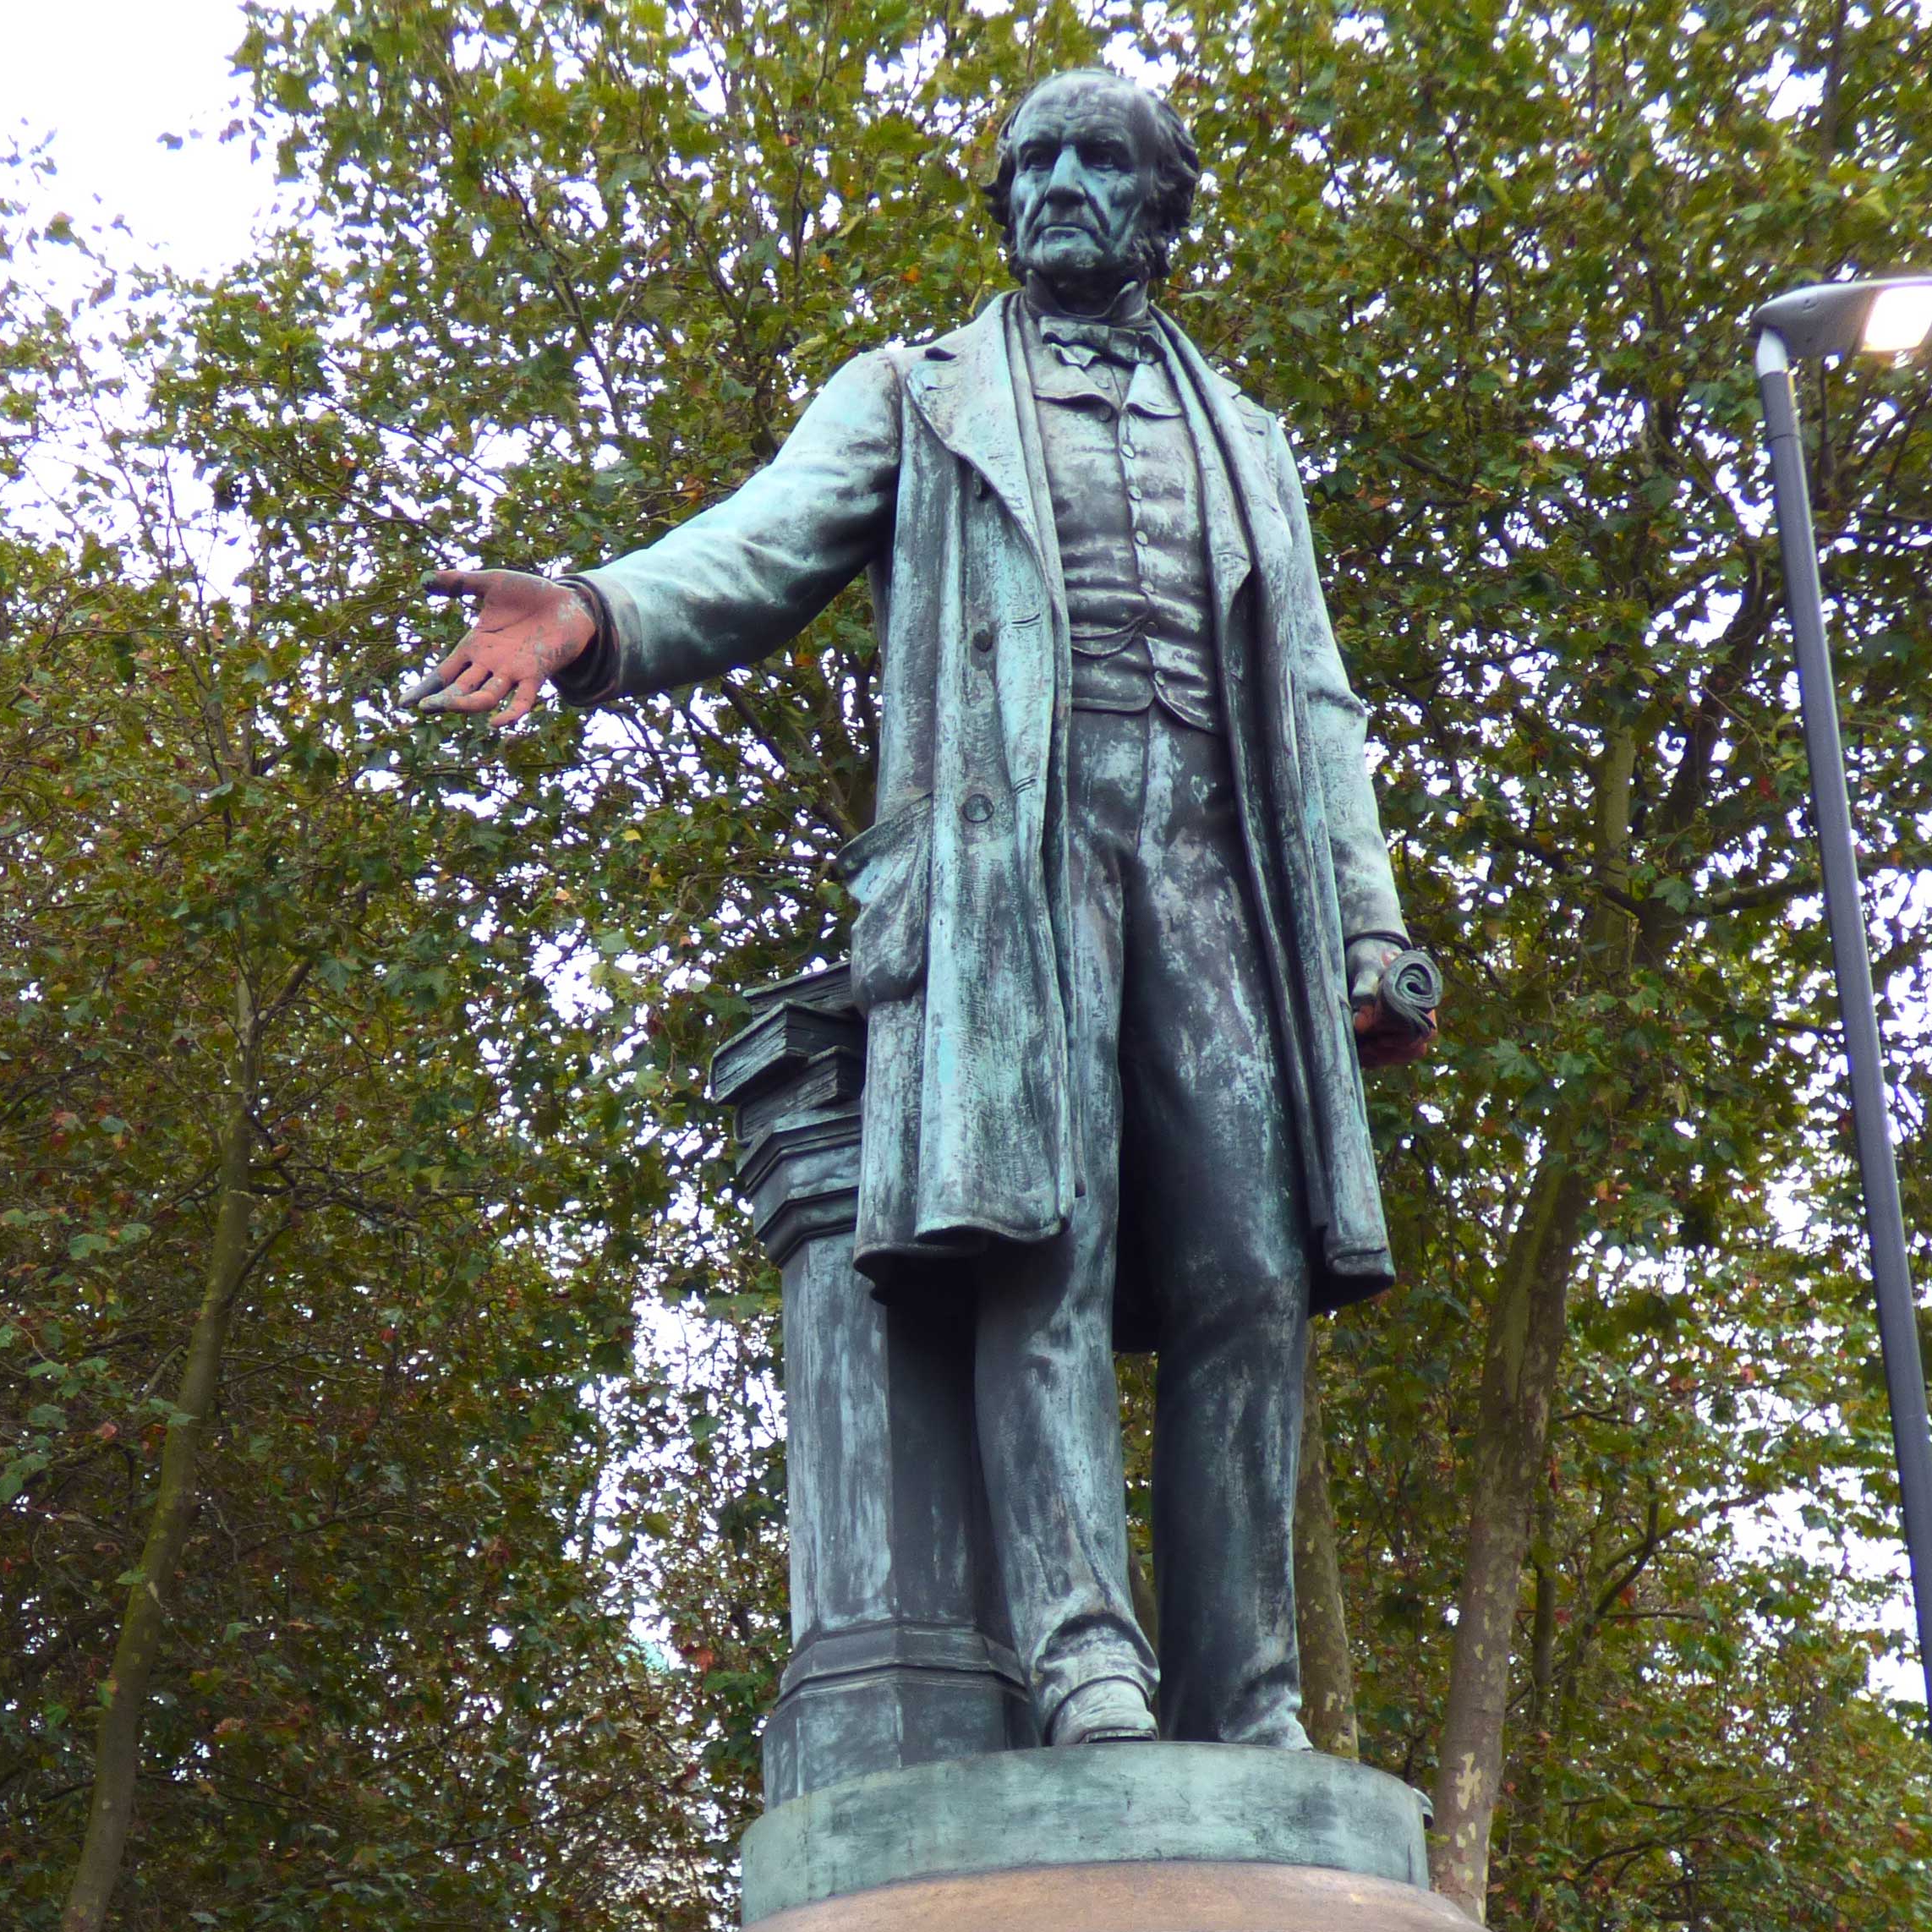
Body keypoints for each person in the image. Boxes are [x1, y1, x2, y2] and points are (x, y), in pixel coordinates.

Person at [415, 66, 1428, 1750]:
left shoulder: (1245, 439)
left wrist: (1367, 923)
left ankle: (1243, 1692)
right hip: (1009, 863)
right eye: (1028, 165)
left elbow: (1314, 698)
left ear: (1162, 207)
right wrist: (591, 613)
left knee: (1246, 1269)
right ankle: (1083, 1652)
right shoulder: (917, 392)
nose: (1054, 189)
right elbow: (756, 549)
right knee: (1049, 1231)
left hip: (1214, 858)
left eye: (1096, 164)